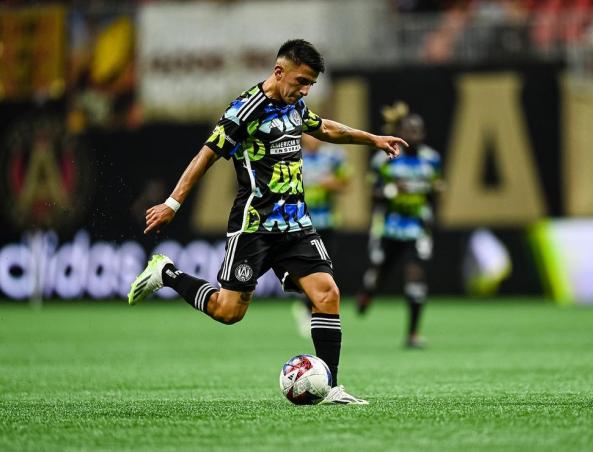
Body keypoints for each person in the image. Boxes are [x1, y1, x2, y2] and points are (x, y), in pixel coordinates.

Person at [127, 39, 407, 405]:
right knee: (228, 312)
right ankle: (166, 273)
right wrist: (172, 204)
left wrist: (373, 139)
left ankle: (331, 385)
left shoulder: (295, 105)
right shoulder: (244, 111)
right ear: (279, 72)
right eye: (302, 81)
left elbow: (324, 128)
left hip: (295, 224)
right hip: (254, 226)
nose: (305, 90)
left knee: (328, 294)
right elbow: (205, 157)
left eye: (311, 85)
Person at [356, 102, 442, 349]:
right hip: (389, 227)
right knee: (379, 275)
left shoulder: (432, 160)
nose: (414, 135)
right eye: (409, 130)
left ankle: (413, 334)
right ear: (400, 133)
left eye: (418, 131)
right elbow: (373, 193)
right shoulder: (385, 158)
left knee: (416, 277)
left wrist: (433, 196)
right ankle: (368, 294)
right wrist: (394, 190)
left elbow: (435, 193)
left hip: (417, 227)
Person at [291, 134, 349, 338]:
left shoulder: (333, 156)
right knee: (307, 267)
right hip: (302, 222)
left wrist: (329, 183)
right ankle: (307, 307)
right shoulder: (293, 155)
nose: (311, 139)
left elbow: (345, 183)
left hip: (327, 221)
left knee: (327, 268)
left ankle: (311, 307)